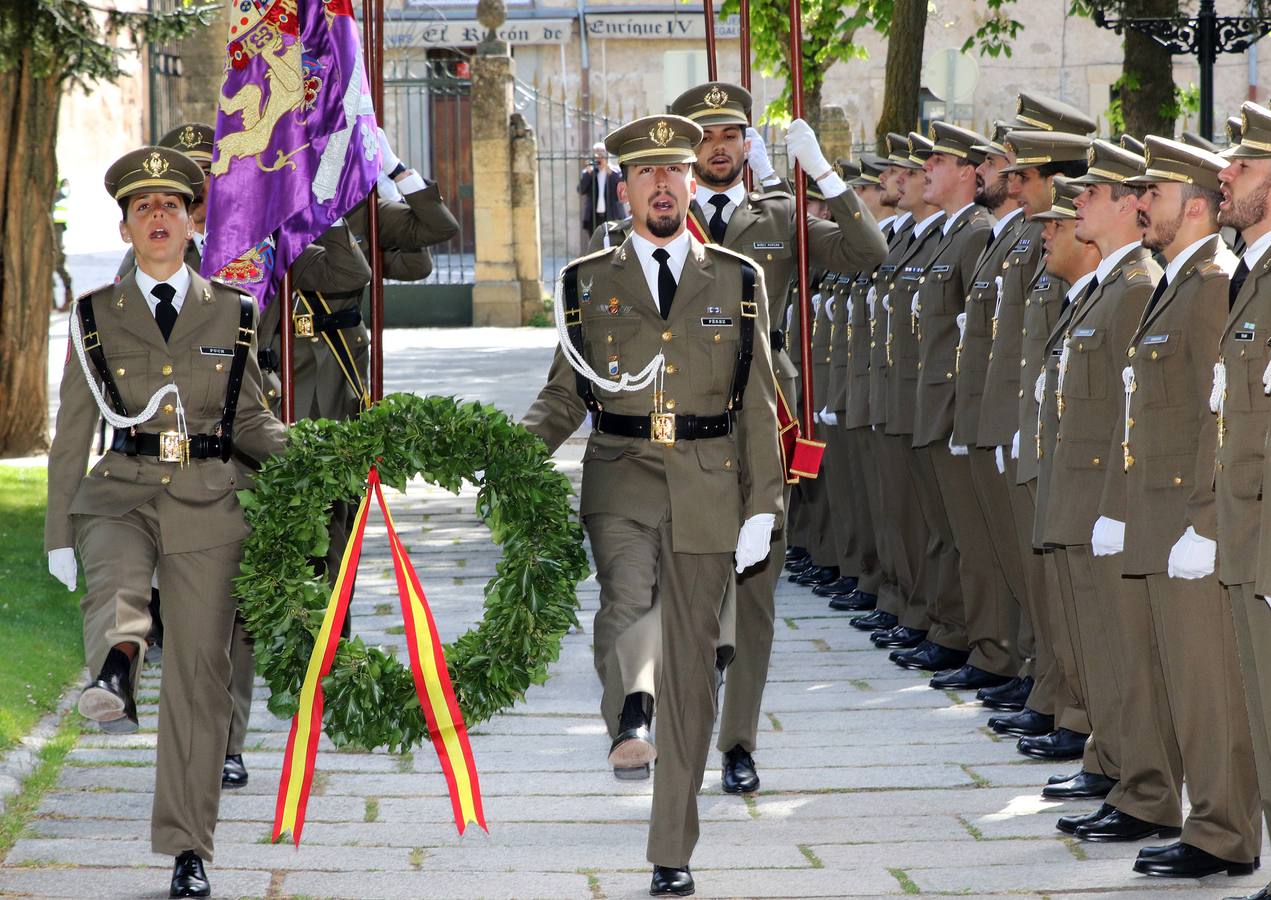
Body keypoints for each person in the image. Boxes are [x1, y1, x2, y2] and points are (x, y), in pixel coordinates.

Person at [522, 113, 783, 897]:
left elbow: (761, 401)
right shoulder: (585, 282)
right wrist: (505, 456)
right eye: (646, 174)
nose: (662, 185)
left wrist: (763, 505)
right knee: (627, 596)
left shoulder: (737, 279)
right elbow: (562, 396)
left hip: (708, 477)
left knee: (696, 664)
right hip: (622, 471)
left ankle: (672, 848)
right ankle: (630, 713)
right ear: (624, 188)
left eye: (674, 172)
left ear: (691, 183)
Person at [45, 146, 287, 898]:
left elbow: (252, 421)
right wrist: (58, 533)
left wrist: (319, 458)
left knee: (199, 680)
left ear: (192, 225)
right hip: (119, 489)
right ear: (125, 230)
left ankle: (189, 848)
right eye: (141, 208)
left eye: (170, 206)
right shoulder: (94, 315)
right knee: (117, 580)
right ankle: (117, 663)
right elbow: (72, 432)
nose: (157, 217)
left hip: (209, 501)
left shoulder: (235, 312)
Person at [667, 82, 887, 795]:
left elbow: (866, 254)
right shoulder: (659, 217)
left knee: (755, 591)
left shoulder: (780, 216)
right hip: (684, 427)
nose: (719, 146)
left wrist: (822, 175)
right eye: (704, 135)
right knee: (688, 590)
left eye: (730, 132)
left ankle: (738, 743)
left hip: (766, 417)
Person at [577, 141, 623, 246]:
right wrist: (588, 174)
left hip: (611, 214)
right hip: (594, 216)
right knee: (595, 245)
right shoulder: (590, 172)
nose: (599, 157)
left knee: (613, 244)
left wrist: (609, 171)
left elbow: (622, 187)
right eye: (596, 154)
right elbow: (581, 190)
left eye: (601, 154)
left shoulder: (614, 171)